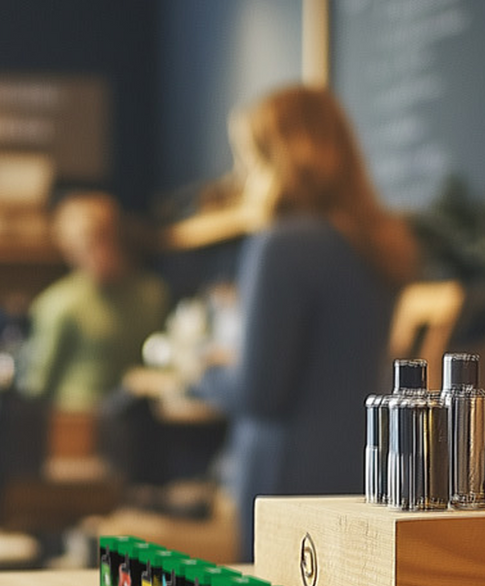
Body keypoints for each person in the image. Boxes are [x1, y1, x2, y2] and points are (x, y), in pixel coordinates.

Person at [192, 84, 421, 560]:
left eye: (251, 157)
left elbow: (260, 395)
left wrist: (205, 372)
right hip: (363, 472)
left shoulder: (284, 245)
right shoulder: (379, 243)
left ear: (274, 159)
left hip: (286, 485)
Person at [17, 192, 169, 413]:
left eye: (103, 241)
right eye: (84, 248)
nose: (98, 255)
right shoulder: (58, 305)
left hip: (137, 417)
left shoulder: (152, 294)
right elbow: (36, 385)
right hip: (75, 423)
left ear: (118, 238)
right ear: (70, 251)